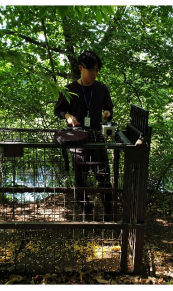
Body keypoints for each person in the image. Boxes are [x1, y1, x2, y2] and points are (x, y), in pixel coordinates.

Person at [54, 51, 114, 220]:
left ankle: (109, 212)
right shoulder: (69, 89)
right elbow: (57, 110)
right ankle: (86, 211)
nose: (94, 74)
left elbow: (109, 108)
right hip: (76, 139)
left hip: (97, 139)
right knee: (80, 180)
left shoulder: (101, 88)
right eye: (91, 70)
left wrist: (108, 113)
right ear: (81, 68)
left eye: (97, 70)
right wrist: (67, 116)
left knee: (104, 178)